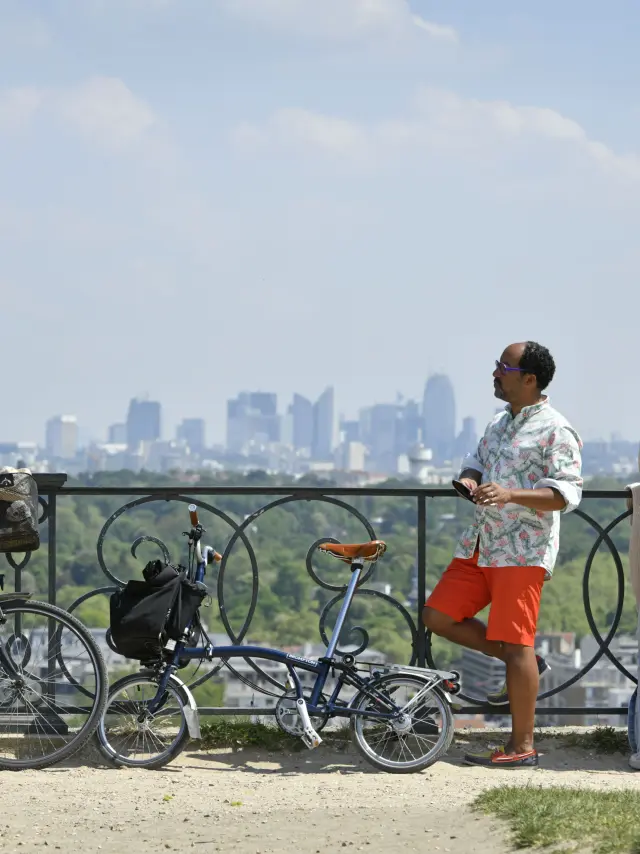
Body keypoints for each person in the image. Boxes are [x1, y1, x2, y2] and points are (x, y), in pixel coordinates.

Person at [423, 341, 582, 768]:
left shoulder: (556, 430)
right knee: (437, 616)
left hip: (522, 550)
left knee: (516, 644)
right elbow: (475, 459)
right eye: (497, 365)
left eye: (504, 367)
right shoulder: (498, 422)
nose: (495, 373)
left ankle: (521, 747)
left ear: (529, 378)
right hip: (479, 543)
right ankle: (529, 661)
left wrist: (510, 493)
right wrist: (470, 479)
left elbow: (567, 493)